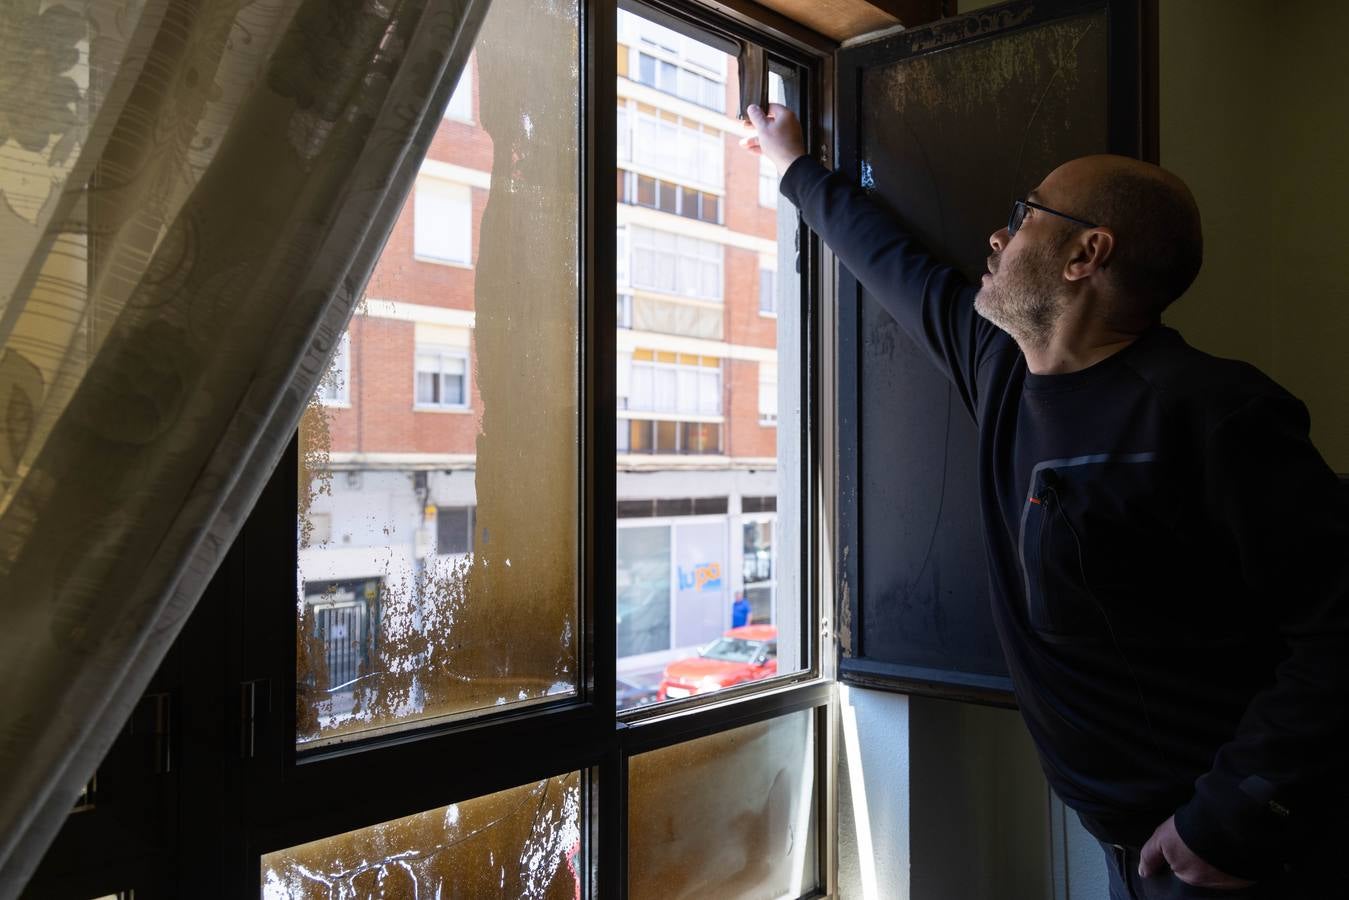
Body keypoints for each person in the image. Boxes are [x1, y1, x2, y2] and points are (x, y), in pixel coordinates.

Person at [741, 102, 1349, 898]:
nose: (997, 236)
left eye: (1022, 216)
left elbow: (1339, 626)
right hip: (1132, 839)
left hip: (1236, 856)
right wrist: (791, 164)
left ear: (1084, 254)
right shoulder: (1000, 372)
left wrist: (1228, 817)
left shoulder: (1209, 412)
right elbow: (889, 261)